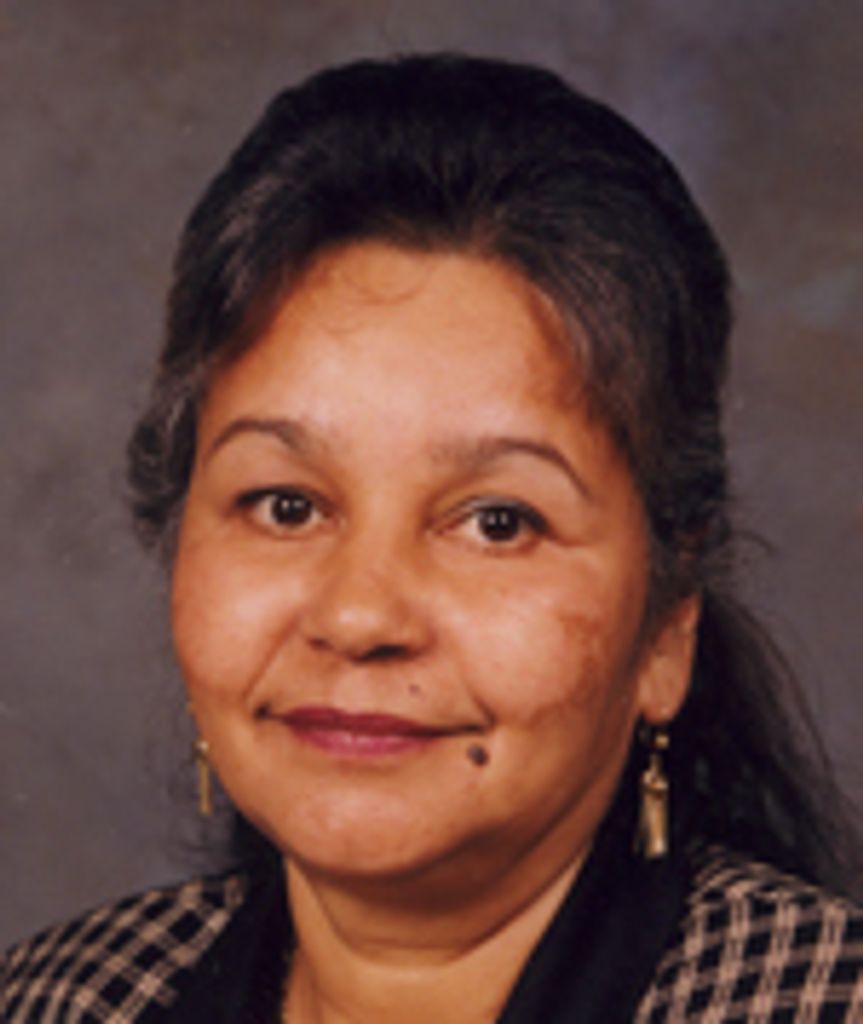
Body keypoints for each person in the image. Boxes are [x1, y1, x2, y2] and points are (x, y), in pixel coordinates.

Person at [3, 53, 862, 1023]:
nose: (359, 615)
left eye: (497, 522)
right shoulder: (63, 1001)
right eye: (286, 506)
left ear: (665, 625)